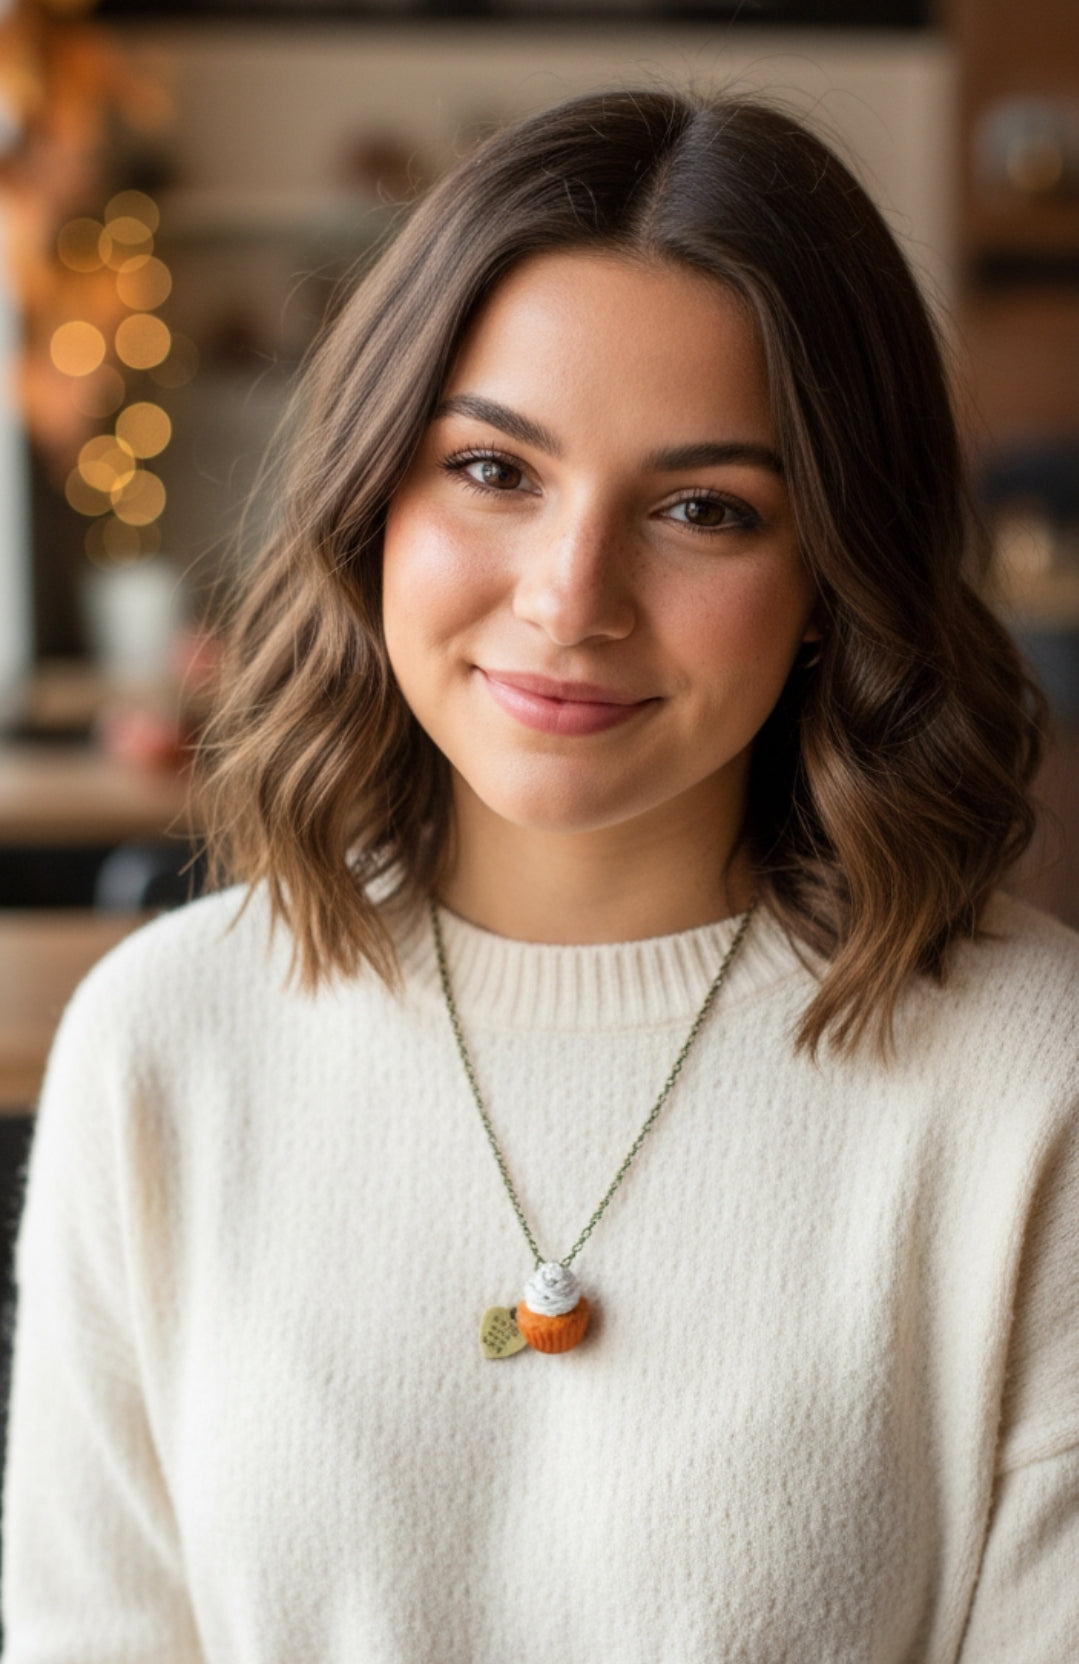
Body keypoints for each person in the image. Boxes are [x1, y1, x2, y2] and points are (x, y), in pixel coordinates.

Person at [3, 88, 1077, 1662]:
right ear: (378, 496)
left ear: (836, 578)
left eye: (706, 509)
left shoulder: (1032, 1079)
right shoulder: (161, 1047)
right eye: (495, 472)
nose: (573, 599)